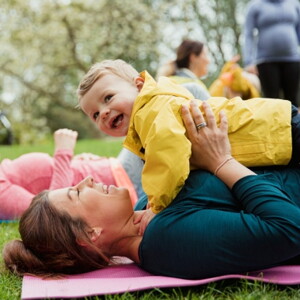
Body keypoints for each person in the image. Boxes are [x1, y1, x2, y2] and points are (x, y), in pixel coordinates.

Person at [4, 102, 300, 279]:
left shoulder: (151, 202)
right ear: (89, 235)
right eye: (77, 194)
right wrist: (221, 161)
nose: (87, 181)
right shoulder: (166, 242)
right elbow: (289, 228)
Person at [77, 59, 300, 218]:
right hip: (274, 133)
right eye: (95, 114)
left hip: (274, 129)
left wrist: (156, 206)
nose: (103, 112)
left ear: (139, 86)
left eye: (108, 98)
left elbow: (169, 160)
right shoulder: (146, 119)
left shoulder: (152, 111)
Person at [0, 128, 137, 220]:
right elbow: (51, 212)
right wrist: (63, 151)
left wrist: (75, 161)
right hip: (121, 183)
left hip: (115, 168)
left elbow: (50, 175)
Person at [242, 0, 300, 106]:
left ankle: (294, 123)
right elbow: (248, 34)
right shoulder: (255, 6)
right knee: (271, 102)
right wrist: (249, 61)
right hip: (266, 62)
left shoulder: (294, 4)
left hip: (292, 59)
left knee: (293, 100)